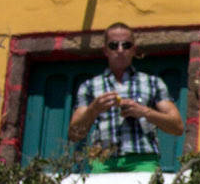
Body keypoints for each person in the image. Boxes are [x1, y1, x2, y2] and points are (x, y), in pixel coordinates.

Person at [68, 23, 184, 171]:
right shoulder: (89, 86)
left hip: (143, 160)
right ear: (105, 50)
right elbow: (74, 134)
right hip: (103, 162)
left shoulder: (153, 83)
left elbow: (178, 127)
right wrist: (93, 109)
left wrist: (144, 112)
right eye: (114, 45)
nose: (120, 50)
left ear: (134, 50)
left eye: (126, 45)